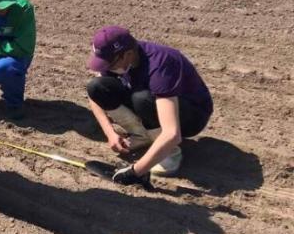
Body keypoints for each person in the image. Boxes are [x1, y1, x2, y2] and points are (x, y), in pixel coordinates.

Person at [85, 26, 213, 186]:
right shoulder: (120, 60)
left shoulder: (160, 63)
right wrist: (110, 133)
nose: (107, 68)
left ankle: (170, 154)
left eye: (109, 64)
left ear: (128, 54)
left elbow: (172, 133)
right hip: (151, 100)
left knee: (142, 99)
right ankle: (142, 136)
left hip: (192, 115)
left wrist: (135, 171)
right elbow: (94, 96)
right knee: (97, 86)